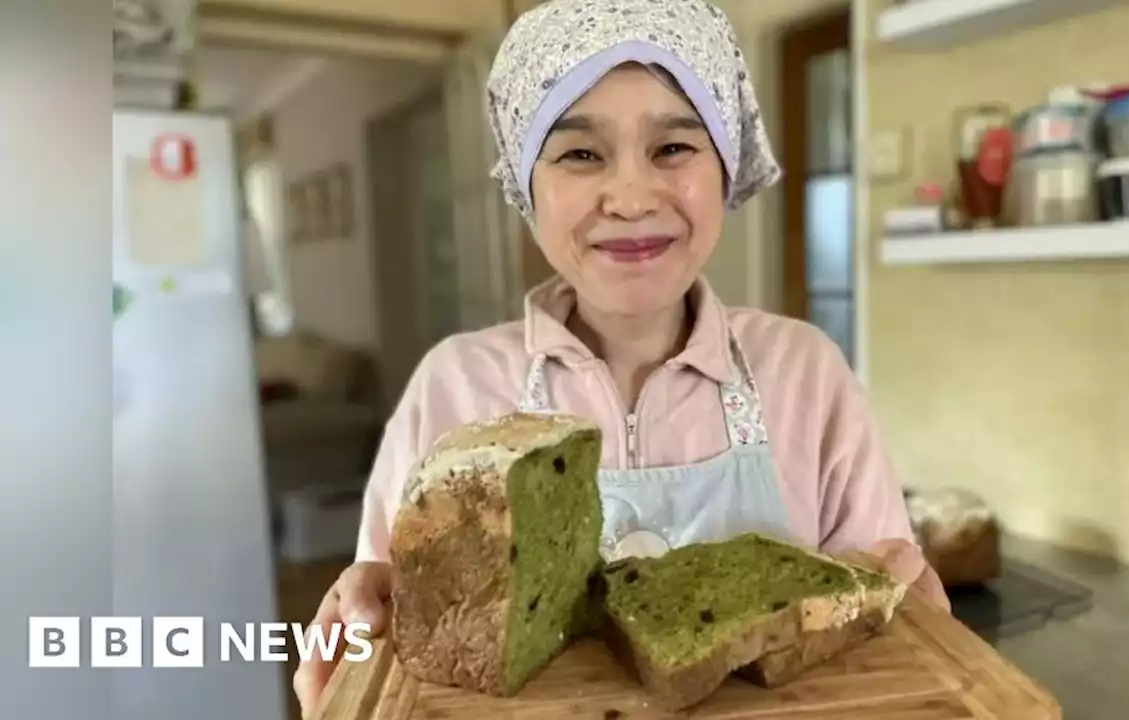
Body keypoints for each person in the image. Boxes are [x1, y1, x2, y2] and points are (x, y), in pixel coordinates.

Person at [293, 0, 948, 713]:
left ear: (726, 168)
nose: (632, 198)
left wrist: (914, 618)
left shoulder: (806, 372)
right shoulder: (452, 387)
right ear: (525, 184)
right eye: (579, 153)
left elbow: (879, 626)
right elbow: (385, 620)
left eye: (673, 147)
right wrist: (358, 634)